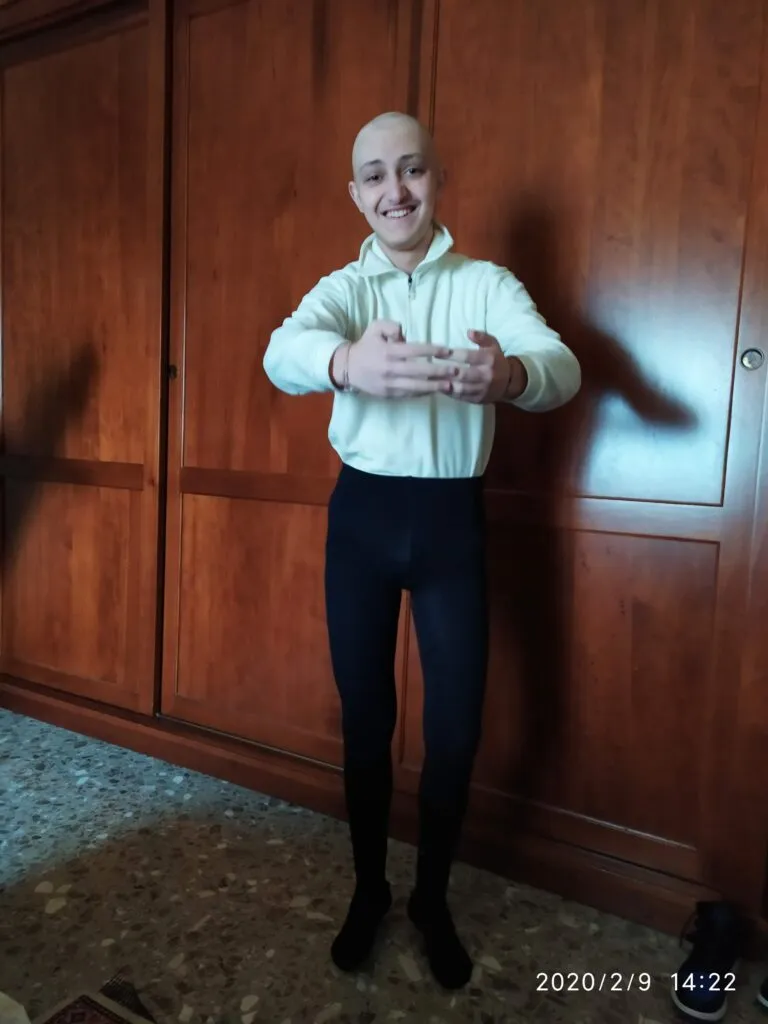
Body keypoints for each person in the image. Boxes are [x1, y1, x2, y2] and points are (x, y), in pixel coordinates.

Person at [262, 111, 581, 989]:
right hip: (361, 523)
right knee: (367, 721)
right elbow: (280, 352)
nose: (394, 190)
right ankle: (369, 889)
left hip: (451, 526)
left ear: (438, 179)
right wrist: (343, 365)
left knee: (456, 731)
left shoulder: (486, 284)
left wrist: (510, 375)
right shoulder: (343, 288)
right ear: (356, 193)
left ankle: (432, 900)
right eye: (375, 175)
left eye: (411, 170)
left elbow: (559, 364)